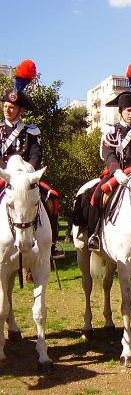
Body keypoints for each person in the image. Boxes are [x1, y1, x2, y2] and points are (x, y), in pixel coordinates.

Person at [0, 59, 63, 259]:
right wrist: (9, 173)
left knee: (52, 199)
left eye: (12, 106)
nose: (7, 109)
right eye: (6, 105)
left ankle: (51, 245)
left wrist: (27, 172)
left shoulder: (31, 130)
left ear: (21, 110)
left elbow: (36, 154)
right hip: (4, 176)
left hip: (26, 177)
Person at [87, 63, 131, 250]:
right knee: (96, 196)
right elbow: (107, 153)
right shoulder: (111, 130)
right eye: (129, 110)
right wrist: (117, 171)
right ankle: (95, 234)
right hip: (116, 174)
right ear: (121, 111)